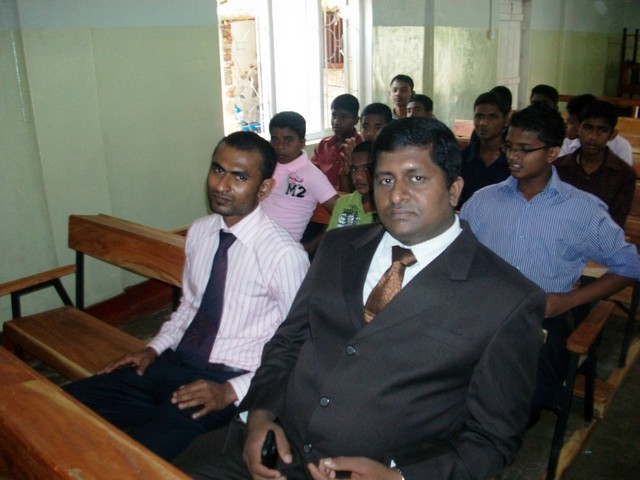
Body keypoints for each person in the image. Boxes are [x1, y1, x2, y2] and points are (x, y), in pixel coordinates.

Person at [187, 117, 546, 480]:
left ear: (454, 190)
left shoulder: (506, 299)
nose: (397, 195)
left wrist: (401, 477)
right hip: (277, 448)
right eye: (385, 180)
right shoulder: (339, 247)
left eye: (416, 179)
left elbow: (492, 441)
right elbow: (288, 342)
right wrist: (259, 416)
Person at [64, 131, 310, 461]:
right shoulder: (201, 232)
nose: (222, 185)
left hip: (228, 379)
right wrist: (152, 348)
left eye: (239, 177)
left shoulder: (284, 255)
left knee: (128, 459)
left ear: (264, 188)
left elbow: (300, 346)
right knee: (62, 407)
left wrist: (230, 391)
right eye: (218, 170)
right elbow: (189, 307)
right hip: (173, 363)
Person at [460, 104, 640, 426]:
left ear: (552, 153)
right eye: (509, 147)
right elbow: (458, 255)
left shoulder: (582, 209)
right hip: (482, 313)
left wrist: (568, 301)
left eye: (525, 149)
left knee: (518, 402)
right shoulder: (483, 201)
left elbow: (629, 265)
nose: (513, 156)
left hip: (542, 319)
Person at [261, 111, 338, 252]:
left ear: (302, 143)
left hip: (282, 250)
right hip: (253, 239)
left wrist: (309, 247)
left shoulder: (312, 175)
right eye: (275, 140)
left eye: (288, 140)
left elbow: (342, 213)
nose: (280, 146)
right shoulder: (266, 165)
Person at [556, 100, 636, 228]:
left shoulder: (624, 175)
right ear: (578, 129)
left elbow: (615, 224)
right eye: (588, 128)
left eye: (602, 130)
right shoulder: (558, 168)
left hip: (601, 238)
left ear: (612, 135)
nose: (593, 137)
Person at [458, 92, 510, 207]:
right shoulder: (463, 157)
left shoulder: (512, 159)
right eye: (479, 116)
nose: (483, 123)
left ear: (505, 120)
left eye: (492, 117)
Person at [559, 93, 634, 166]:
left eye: (571, 122)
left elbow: (623, 172)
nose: (593, 136)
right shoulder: (566, 142)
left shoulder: (621, 146)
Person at [311, 93, 362, 191]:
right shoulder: (323, 145)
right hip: (322, 197)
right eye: (334, 116)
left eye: (343, 117)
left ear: (356, 120)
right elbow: (312, 177)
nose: (336, 122)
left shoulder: (361, 147)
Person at [327, 141, 377, 230]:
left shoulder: (388, 208)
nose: (358, 176)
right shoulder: (343, 203)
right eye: (354, 169)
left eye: (366, 168)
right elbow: (331, 237)